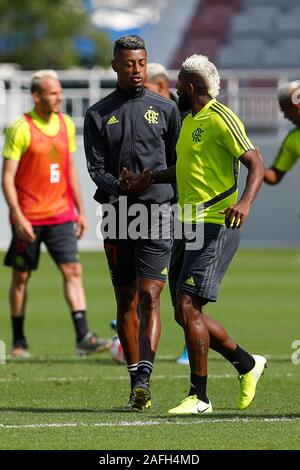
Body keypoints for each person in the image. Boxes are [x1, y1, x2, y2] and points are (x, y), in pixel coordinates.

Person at [121, 54, 267, 414]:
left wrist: (245, 204)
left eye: (178, 84)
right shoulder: (189, 122)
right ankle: (247, 364)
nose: (174, 89)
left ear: (189, 87)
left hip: (216, 222)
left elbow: (256, 163)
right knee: (183, 313)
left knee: (189, 306)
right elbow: (185, 170)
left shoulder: (221, 117)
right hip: (186, 223)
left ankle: (199, 397)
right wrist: (150, 178)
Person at [84, 35, 181, 411]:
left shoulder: (167, 110)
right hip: (117, 214)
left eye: (141, 63)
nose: (136, 70)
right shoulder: (97, 113)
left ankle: (144, 378)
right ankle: (134, 380)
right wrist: (119, 186)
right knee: (124, 297)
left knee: (149, 295)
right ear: (115, 65)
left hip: (157, 212)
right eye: (128, 64)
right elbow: (95, 168)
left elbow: (178, 165)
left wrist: (152, 180)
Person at [2, 70, 111, 358]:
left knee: (73, 270)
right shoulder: (20, 128)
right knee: (21, 277)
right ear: (36, 96)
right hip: (29, 219)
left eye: (60, 92)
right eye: (53, 93)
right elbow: (7, 178)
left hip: (61, 214)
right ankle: (19, 341)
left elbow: (69, 169)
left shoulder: (64, 124)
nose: (59, 97)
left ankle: (83, 337)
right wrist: (18, 216)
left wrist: (81, 210)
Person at [144, 62, 188, 365]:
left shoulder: (182, 116)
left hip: (181, 209)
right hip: (153, 207)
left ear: (160, 86)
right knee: (153, 281)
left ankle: (191, 341)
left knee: (183, 284)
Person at [264, 81, 300, 186]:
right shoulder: (293, 139)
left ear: (296, 107)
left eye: (285, 111)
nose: (285, 116)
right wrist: (256, 164)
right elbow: (274, 175)